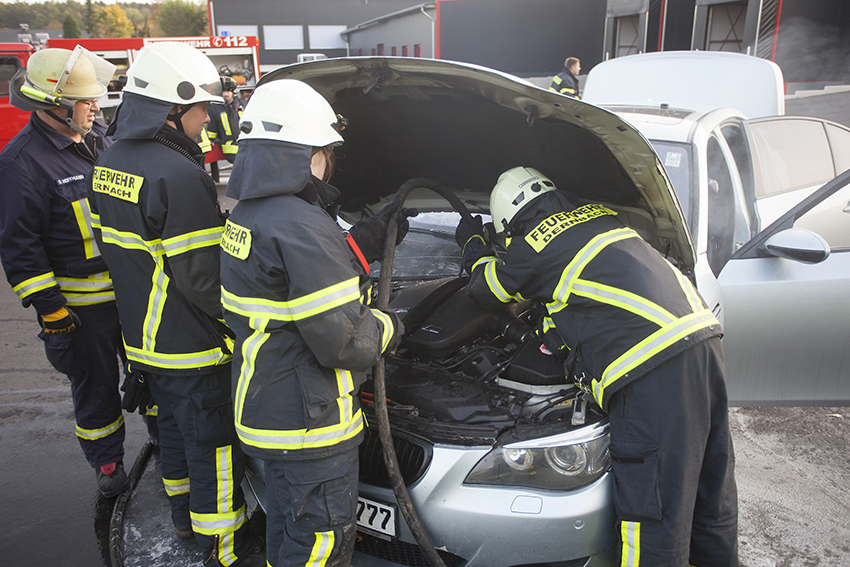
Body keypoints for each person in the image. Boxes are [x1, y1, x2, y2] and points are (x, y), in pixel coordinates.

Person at [455, 166, 738, 566]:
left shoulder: (535, 243)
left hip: (652, 368)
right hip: (703, 343)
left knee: (653, 515)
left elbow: (487, 289)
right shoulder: (600, 216)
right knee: (710, 497)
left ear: (509, 221)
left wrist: (473, 248)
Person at [219, 79, 410, 567]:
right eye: (325, 151)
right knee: (319, 548)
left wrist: (360, 243)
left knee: (287, 534)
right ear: (304, 155)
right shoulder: (303, 226)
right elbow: (347, 344)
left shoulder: (248, 214)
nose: (329, 162)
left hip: (264, 410)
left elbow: (288, 291)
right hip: (309, 428)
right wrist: (389, 324)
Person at [87, 42, 261, 566]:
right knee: (214, 447)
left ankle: (184, 518)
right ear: (172, 109)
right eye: (201, 108)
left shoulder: (110, 159)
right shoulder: (179, 175)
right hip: (191, 345)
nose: (208, 118)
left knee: (177, 440)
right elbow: (204, 280)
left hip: (143, 339)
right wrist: (244, 323)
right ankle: (225, 546)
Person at [0, 46, 139, 499]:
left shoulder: (98, 138)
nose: (96, 106)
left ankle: (170, 444)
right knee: (96, 389)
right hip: (83, 312)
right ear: (52, 105)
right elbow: (19, 248)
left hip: (133, 298)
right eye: (85, 100)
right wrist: (51, 309)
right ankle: (108, 463)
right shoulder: (21, 166)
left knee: (156, 376)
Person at [206, 78, 243, 163]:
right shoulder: (215, 108)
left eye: (228, 91)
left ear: (233, 92)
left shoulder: (242, 105)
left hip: (245, 146)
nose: (226, 94)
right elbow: (212, 128)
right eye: (224, 91)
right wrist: (211, 140)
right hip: (230, 149)